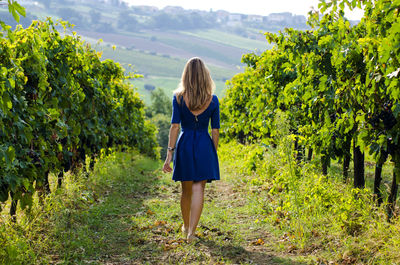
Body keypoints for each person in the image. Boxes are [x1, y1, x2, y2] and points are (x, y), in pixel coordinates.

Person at [162, 57, 220, 243]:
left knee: (186, 190)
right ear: (205, 75)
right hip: (204, 144)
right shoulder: (213, 100)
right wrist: (213, 152)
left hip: (185, 144)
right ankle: (191, 233)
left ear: (186, 75)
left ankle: (186, 225)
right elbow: (215, 130)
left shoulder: (178, 98)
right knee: (198, 189)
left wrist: (169, 153)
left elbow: (174, 127)